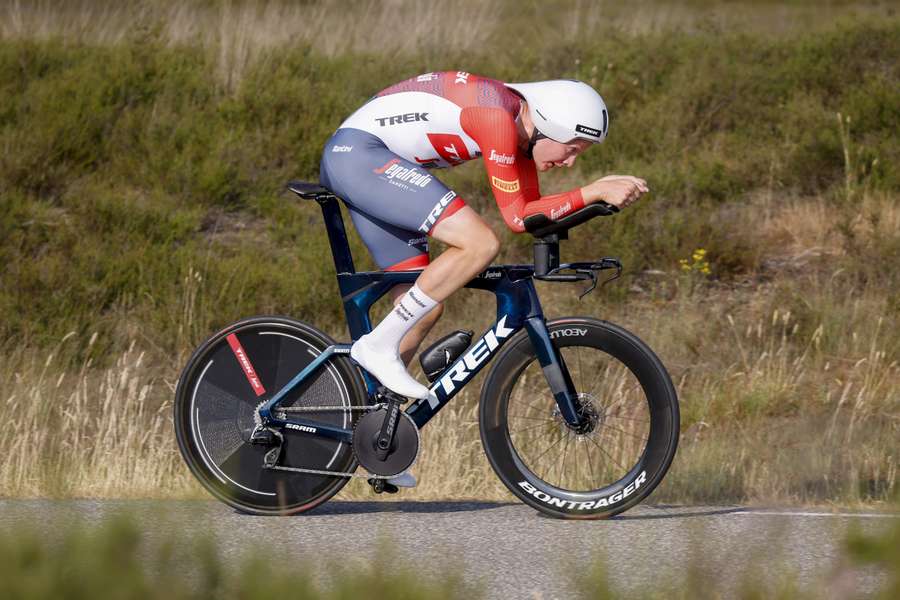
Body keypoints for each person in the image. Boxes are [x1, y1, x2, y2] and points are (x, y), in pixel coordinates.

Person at [319, 72, 648, 487]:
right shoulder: (497, 119)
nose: (570, 161)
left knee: (423, 305)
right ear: (550, 126)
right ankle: (377, 346)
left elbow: (531, 213)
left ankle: (377, 440)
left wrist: (592, 202)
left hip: (364, 158)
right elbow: (514, 219)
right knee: (477, 243)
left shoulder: (520, 130)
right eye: (572, 148)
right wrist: (594, 191)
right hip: (360, 156)